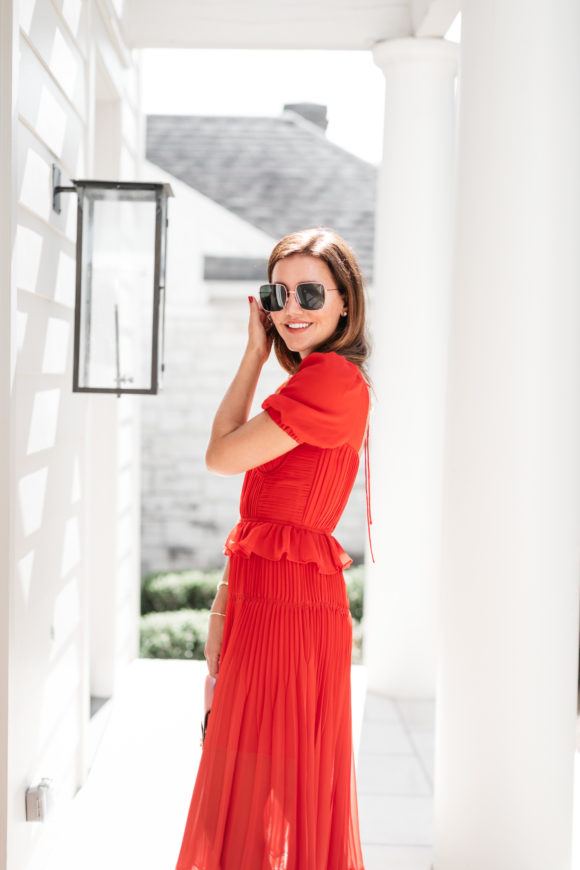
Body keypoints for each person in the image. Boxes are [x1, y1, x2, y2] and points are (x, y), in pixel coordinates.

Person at [175, 227, 371, 870]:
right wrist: (224, 612)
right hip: (268, 599)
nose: (290, 308)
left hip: (289, 607)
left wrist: (254, 360)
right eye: (277, 292)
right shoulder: (314, 380)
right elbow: (256, 514)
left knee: (271, 781)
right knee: (252, 773)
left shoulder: (331, 382)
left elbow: (220, 454)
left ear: (345, 301)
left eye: (310, 292)